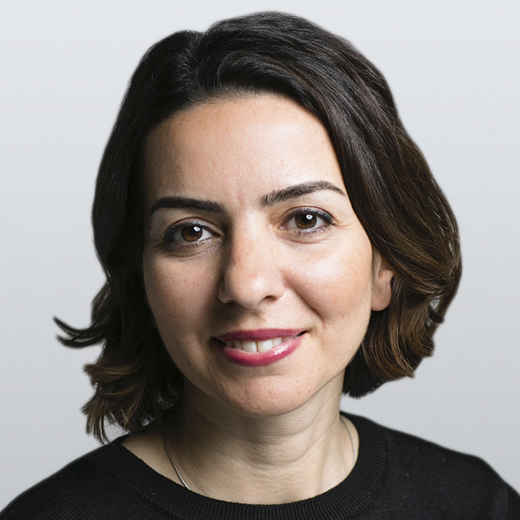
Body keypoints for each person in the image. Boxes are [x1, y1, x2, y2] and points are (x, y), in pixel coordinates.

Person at [1, 11, 518, 519]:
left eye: (306, 220)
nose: (247, 284)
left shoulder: (477, 506)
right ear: (142, 279)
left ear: (385, 266)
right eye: (191, 232)